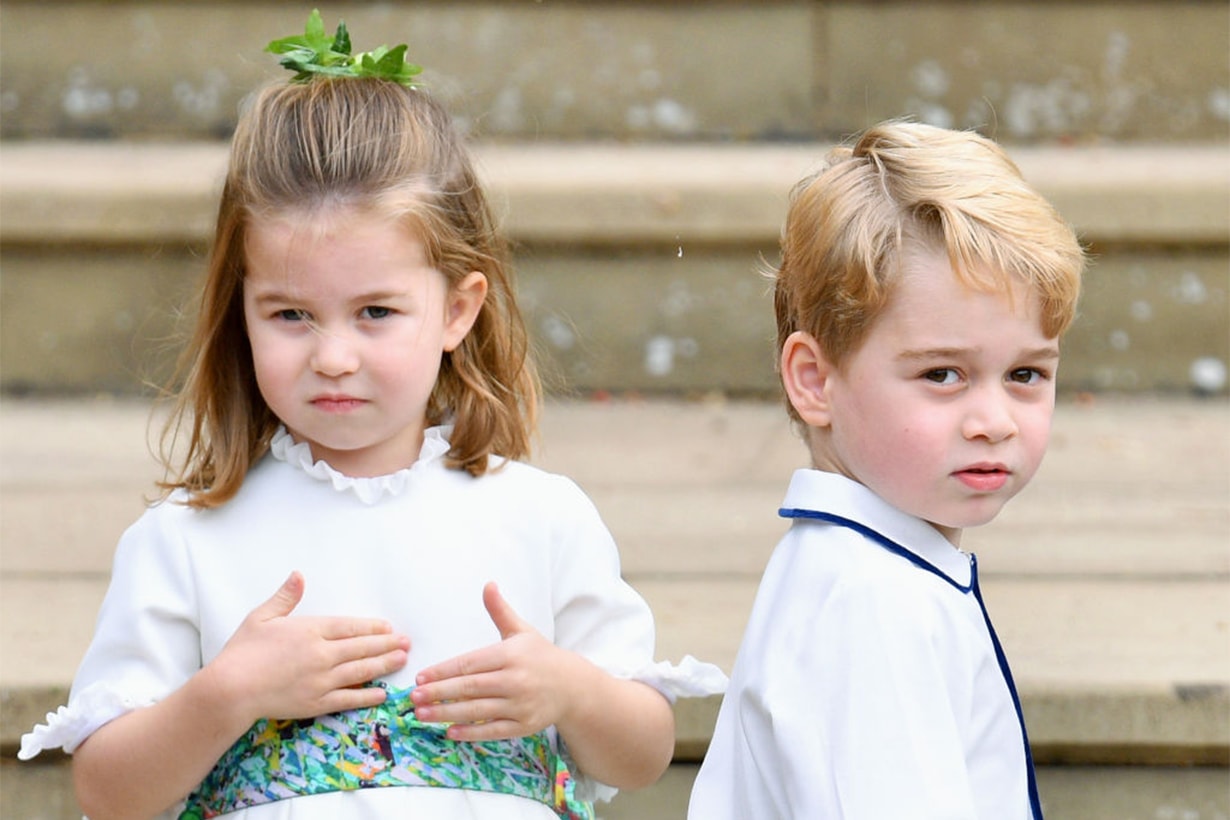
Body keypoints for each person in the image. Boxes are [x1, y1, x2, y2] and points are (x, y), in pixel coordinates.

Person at [21, 12, 724, 819]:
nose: (333, 356)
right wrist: (227, 693)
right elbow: (109, 792)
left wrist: (567, 691)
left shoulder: (540, 517)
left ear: (458, 310)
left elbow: (641, 757)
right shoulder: (187, 542)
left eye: (376, 312)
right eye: (290, 315)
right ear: (239, 311)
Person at [688, 120, 1085, 819]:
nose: (993, 418)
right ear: (815, 381)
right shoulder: (867, 602)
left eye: (1025, 373)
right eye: (943, 374)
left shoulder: (876, 572)